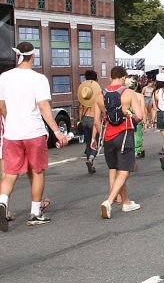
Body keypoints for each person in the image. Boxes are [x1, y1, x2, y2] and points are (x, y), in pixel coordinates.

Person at [0, 41, 69, 229]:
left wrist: (12, 121)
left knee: (9, 173)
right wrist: (57, 131)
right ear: (33, 56)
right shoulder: (38, 79)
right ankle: (35, 213)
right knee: (37, 172)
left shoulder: (4, 77)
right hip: (34, 133)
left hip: (12, 134)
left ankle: (2, 202)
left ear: (18, 56)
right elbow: (44, 107)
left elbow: (1, 107)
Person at [91, 65, 144, 218]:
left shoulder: (100, 95)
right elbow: (139, 116)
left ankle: (126, 202)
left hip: (108, 136)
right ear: (123, 78)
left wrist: (101, 134)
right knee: (124, 170)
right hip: (124, 134)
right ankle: (108, 201)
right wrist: (130, 116)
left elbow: (96, 121)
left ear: (110, 77)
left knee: (116, 168)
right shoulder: (129, 93)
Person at [77, 70, 102, 174]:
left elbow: (80, 108)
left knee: (88, 143)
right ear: (96, 78)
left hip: (84, 119)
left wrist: (80, 120)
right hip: (94, 119)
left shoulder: (84, 91)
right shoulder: (97, 91)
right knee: (96, 141)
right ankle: (91, 159)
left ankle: (90, 164)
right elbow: (101, 106)